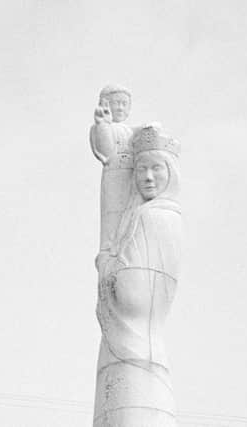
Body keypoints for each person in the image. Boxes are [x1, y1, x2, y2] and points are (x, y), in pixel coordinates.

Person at [93, 125, 182, 427]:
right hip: (140, 356)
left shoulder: (154, 217)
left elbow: (132, 297)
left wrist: (106, 263)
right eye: (141, 169)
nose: (147, 178)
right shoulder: (157, 217)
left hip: (135, 356)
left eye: (156, 169)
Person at [89, 85, 135, 263]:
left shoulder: (131, 131)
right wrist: (103, 124)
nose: (121, 108)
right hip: (114, 177)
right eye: (116, 103)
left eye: (124, 104)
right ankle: (109, 250)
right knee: (113, 219)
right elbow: (106, 152)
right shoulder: (101, 127)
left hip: (131, 179)